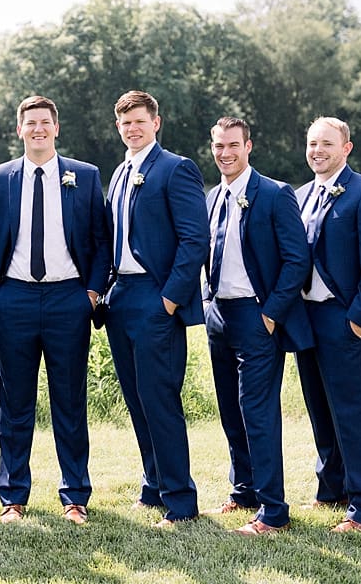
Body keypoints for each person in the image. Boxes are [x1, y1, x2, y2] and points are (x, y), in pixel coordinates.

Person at [0, 96, 110, 525]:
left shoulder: (84, 176)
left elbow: (101, 239)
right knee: (15, 402)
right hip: (13, 299)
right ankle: (13, 497)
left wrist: (90, 293)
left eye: (44, 123)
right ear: (20, 129)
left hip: (68, 299)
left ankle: (74, 497)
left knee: (69, 401)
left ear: (56, 127)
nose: (37, 129)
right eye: (30, 123)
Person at [103, 90, 208, 527]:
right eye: (126, 123)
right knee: (136, 398)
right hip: (121, 297)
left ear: (156, 123)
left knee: (160, 399)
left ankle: (181, 500)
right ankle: (154, 485)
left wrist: (170, 297)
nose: (133, 129)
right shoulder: (119, 172)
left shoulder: (175, 168)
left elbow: (194, 240)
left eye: (140, 121)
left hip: (155, 296)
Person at [202, 117, 311, 536]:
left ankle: (273, 511)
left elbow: (297, 259)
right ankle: (243, 490)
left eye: (232, 145)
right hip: (220, 316)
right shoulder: (214, 197)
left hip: (257, 316)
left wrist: (271, 312)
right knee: (230, 409)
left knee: (258, 413)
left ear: (249, 146)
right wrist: (209, 302)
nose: (225, 153)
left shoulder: (274, 193)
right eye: (218, 146)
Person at [294, 116, 361, 533]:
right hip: (306, 319)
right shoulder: (298, 195)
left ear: (346, 148)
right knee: (319, 407)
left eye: (327, 144)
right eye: (313, 143)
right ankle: (330, 487)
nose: (318, 151)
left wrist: (358, 322)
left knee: (352, 411)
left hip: (344, 318)